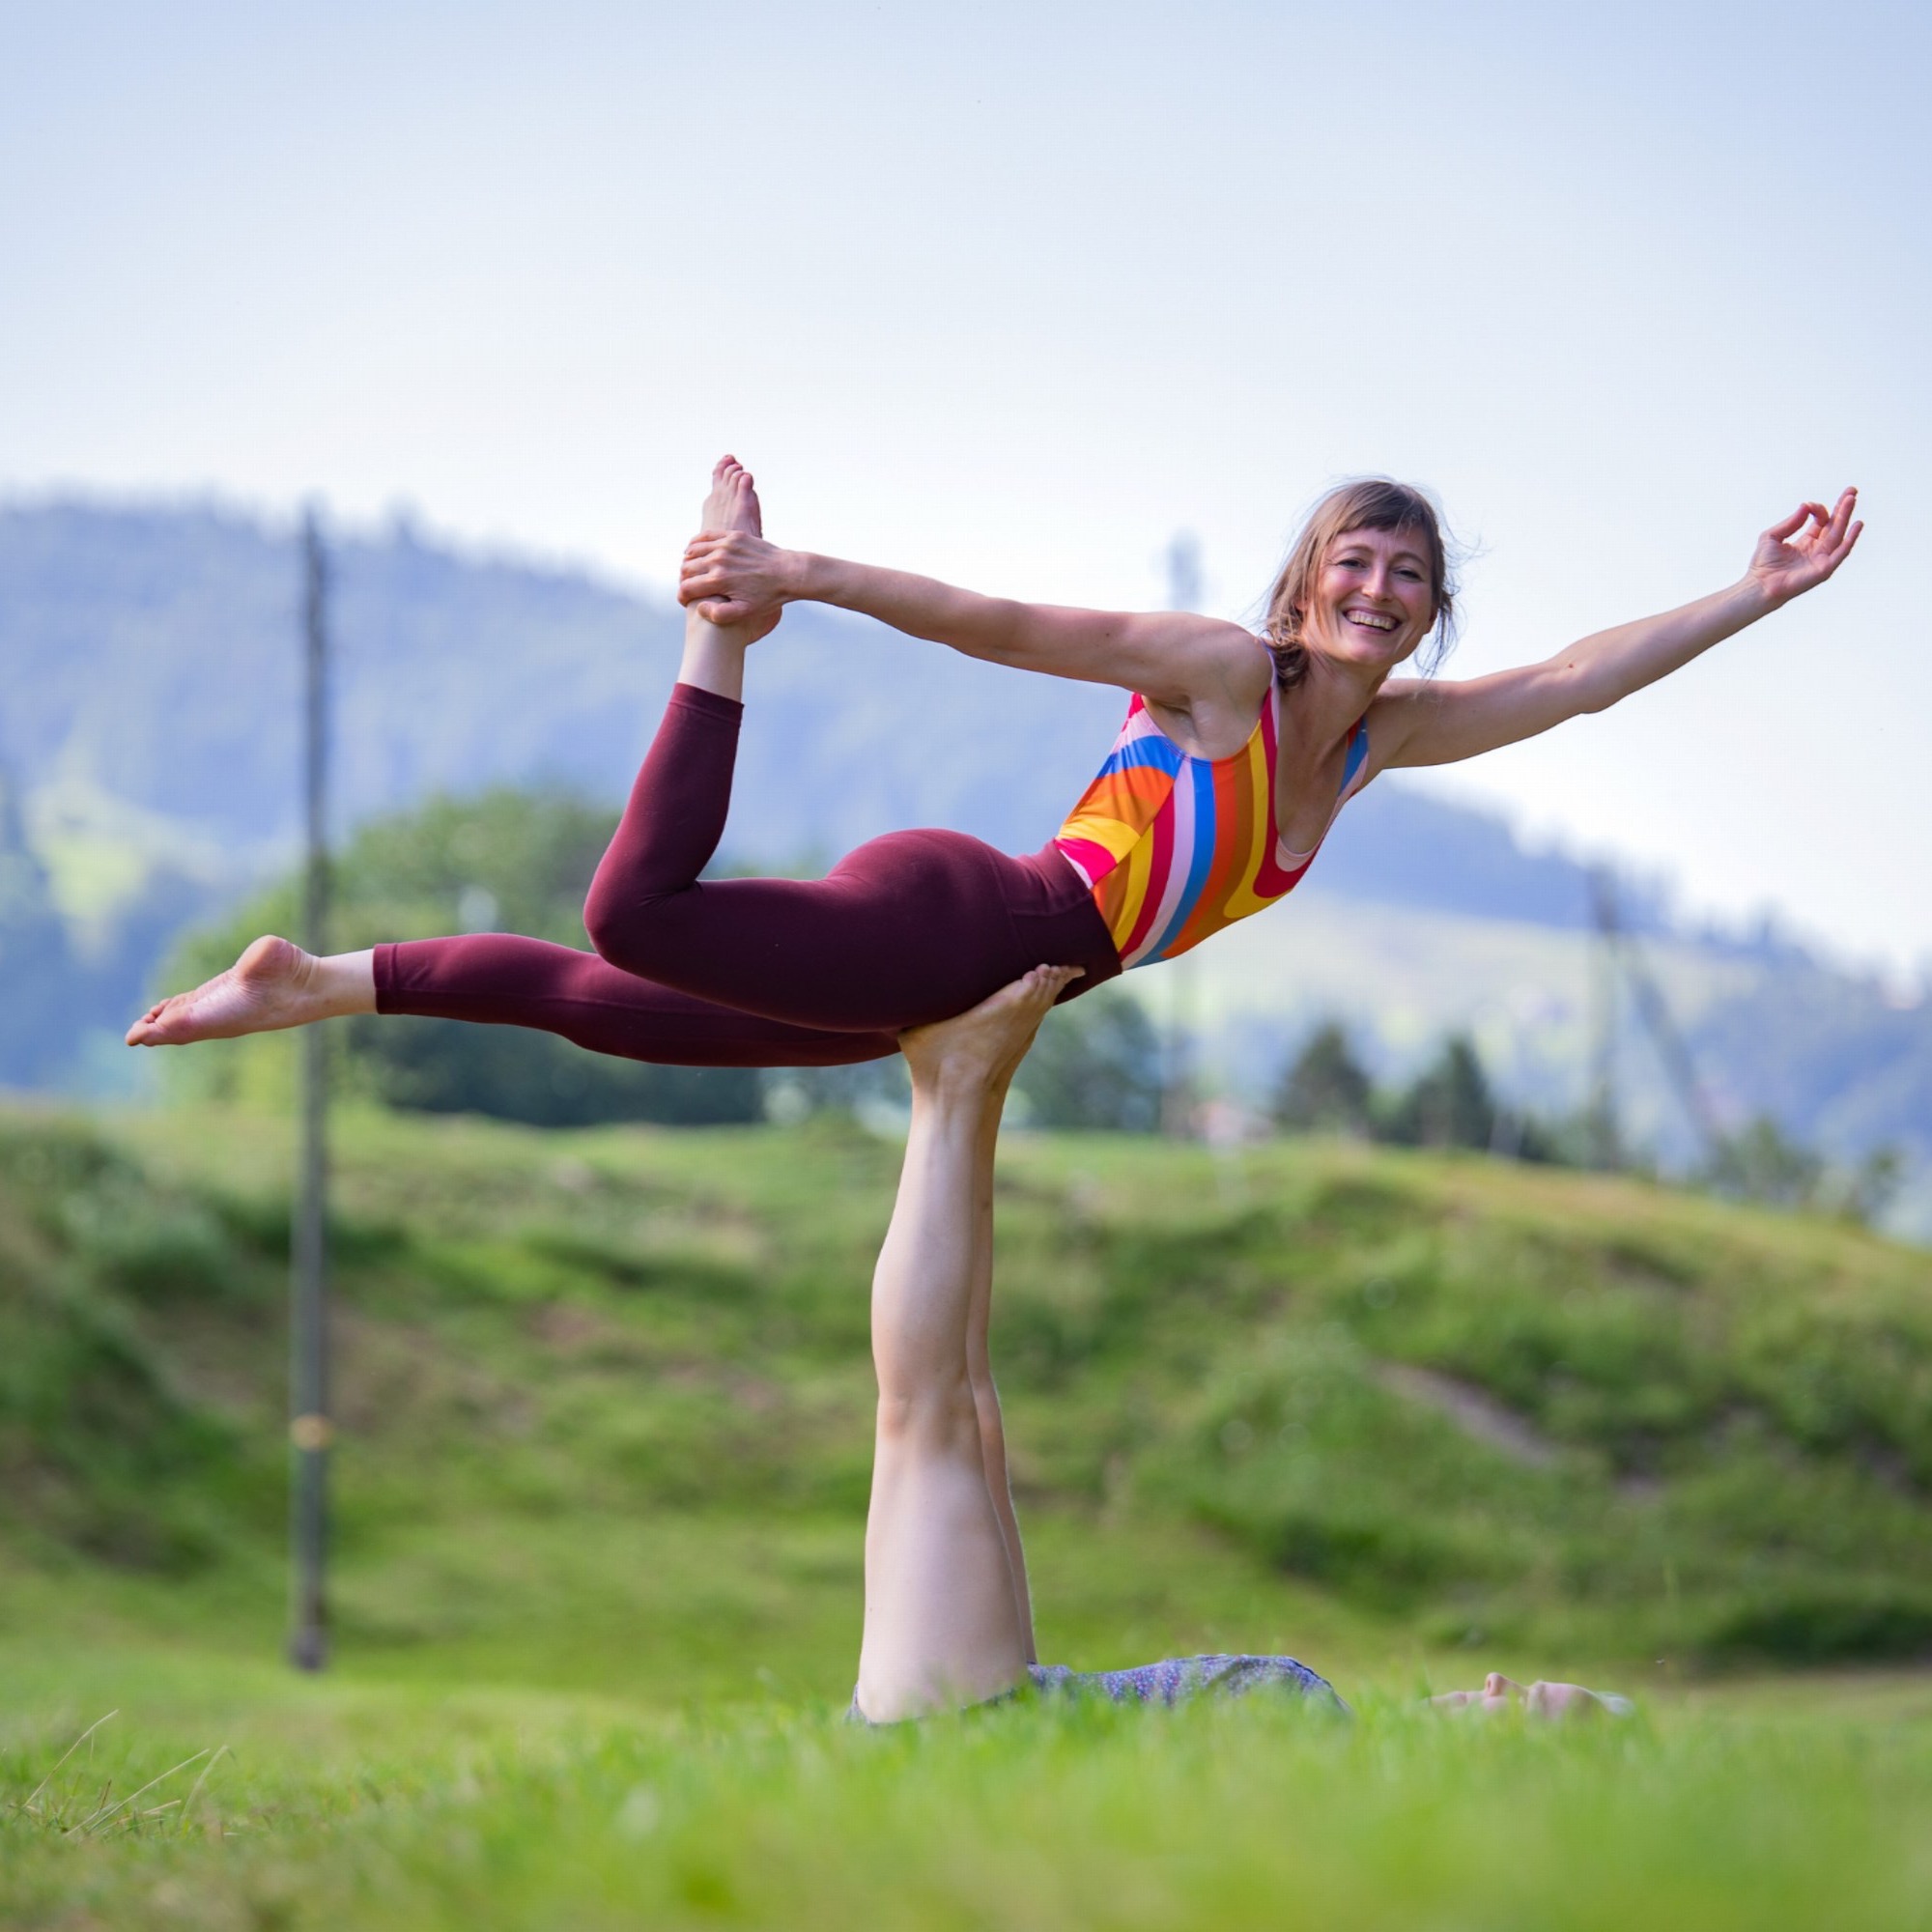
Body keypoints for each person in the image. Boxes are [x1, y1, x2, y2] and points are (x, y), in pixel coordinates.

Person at [127, 459, 1861, 1061]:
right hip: (976, 917)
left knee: (634, 1012)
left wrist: (1758, 592)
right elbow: (1002, 619)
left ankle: (320, 983)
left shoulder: (1377, 747)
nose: (1380, 588)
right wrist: (790, 581)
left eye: (1409, 577)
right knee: (636, 913)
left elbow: (1577, 683)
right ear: (1304, 582)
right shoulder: (1217, 679)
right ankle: (716, 643)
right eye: (1355, 559)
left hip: (995, 984)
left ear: (1427, 616)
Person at [859, 965, 1626, 1722]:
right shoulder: (1333, 1752)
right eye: (1527, 1682)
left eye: (1529, 1708)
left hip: (965, 1719)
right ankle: (978, 1091)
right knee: (970, 1405)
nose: (1497, 1680)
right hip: (1004, 1703)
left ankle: (952, 1086)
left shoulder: (1330, 1776)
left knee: (933, 1412)